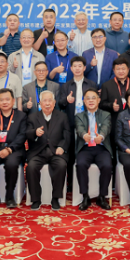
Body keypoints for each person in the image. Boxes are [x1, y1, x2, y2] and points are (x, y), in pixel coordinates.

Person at [25, 90, 71, 211]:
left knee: (61, 165)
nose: (47, 103)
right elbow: (27, 133)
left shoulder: (62, 116)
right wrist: (35, 132)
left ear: (54, 102)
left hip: (56, 151)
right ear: (40, 103)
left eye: (50, 100)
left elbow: (67, 134)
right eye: (44, 101)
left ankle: (55, 198)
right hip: (38, 152)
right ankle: (36, 199)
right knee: (31, 167)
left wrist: (62, 147)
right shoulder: (32, 117)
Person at [0, 88, 27, 209]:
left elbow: (22, 135)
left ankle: (9, 196)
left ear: (13, 101)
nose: (4, 102)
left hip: (13, 148)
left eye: (7, 99)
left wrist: (9, 149)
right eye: (1, 100)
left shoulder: (21, 116)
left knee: (12, 164)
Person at [58, 56, 97, 184]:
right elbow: (60, 104)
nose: (77, 68)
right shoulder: (66, 85)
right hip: (71, 122)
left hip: (87, 123)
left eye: (80, 66)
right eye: (75, 66)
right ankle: (70, 182)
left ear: (85, 68)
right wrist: (66, 100)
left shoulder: (91, 84)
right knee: (70, 151)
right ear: (71, 68)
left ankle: (85, 181)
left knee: (84, 151)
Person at [75, 89, 112, 211]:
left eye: (93, 98)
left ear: (98, 100)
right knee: (80, 164)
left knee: (107, 165)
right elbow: (79, 128)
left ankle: (102, 197)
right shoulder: (79, 116)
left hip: (101, 147)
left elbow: (106, 127)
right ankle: (85, 197)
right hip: (85, 147)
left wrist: (101, 136)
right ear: (84, 101)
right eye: (88, 98)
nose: (91, 101)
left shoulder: (106, 114)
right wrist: (84, 135)